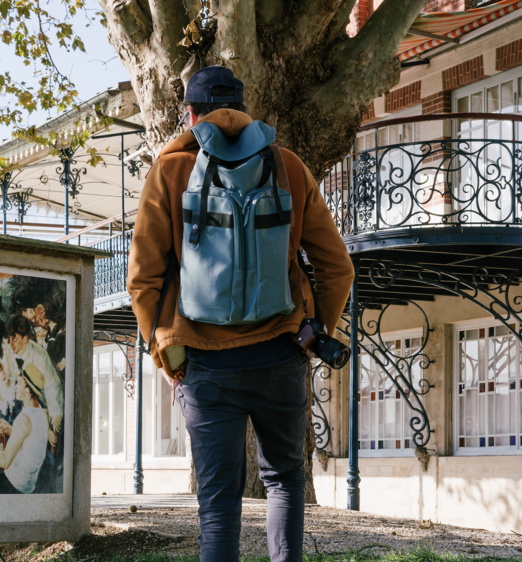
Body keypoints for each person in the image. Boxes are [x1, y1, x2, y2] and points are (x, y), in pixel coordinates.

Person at [126, 66, 354, 562]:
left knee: (219, 502)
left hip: (204, 365)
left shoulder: (169, 172)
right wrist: (317, 332)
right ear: (245, 107)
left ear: (190, 112)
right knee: (286, 481)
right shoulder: (288, 166)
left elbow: (142, 280)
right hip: (281, 354)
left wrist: (166, 356)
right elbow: (337, 267)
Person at [0, 362, 55, 494]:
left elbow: (5, 461)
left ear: (26, 391)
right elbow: (28, 438)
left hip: (15, 484)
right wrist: (11, 429)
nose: (15, 386)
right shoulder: (40, 413)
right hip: (28, 479)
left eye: (19, 384)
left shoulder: (24, 418)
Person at [2, 315, 63, 433]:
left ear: (25, 338)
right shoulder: (10, 351)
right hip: (19, 401)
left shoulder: (40, 355)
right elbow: (4, 375)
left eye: (15, 339)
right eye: (9, 339)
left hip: (39, 405)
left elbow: (52, 386)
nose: (11, 343)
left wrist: (55, 414)